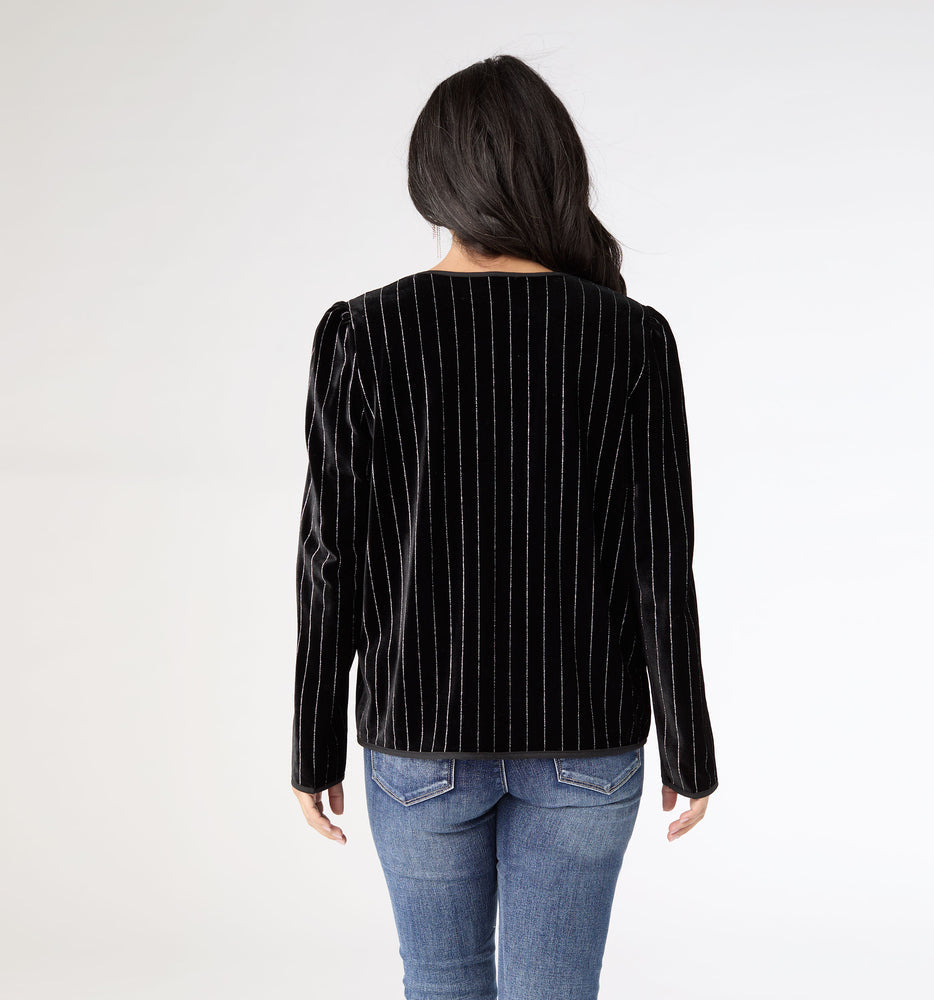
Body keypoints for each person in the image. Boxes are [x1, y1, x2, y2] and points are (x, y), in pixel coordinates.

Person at [290, 53, 719, 1000]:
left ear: (432, 176)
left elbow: (331, 555)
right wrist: (688, 743)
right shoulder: (630, 335)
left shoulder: (366, 333)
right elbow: (661, 557)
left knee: (439, 983)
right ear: (558, 171)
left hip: (419, 736)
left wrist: (313, 742)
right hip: (588, 739)